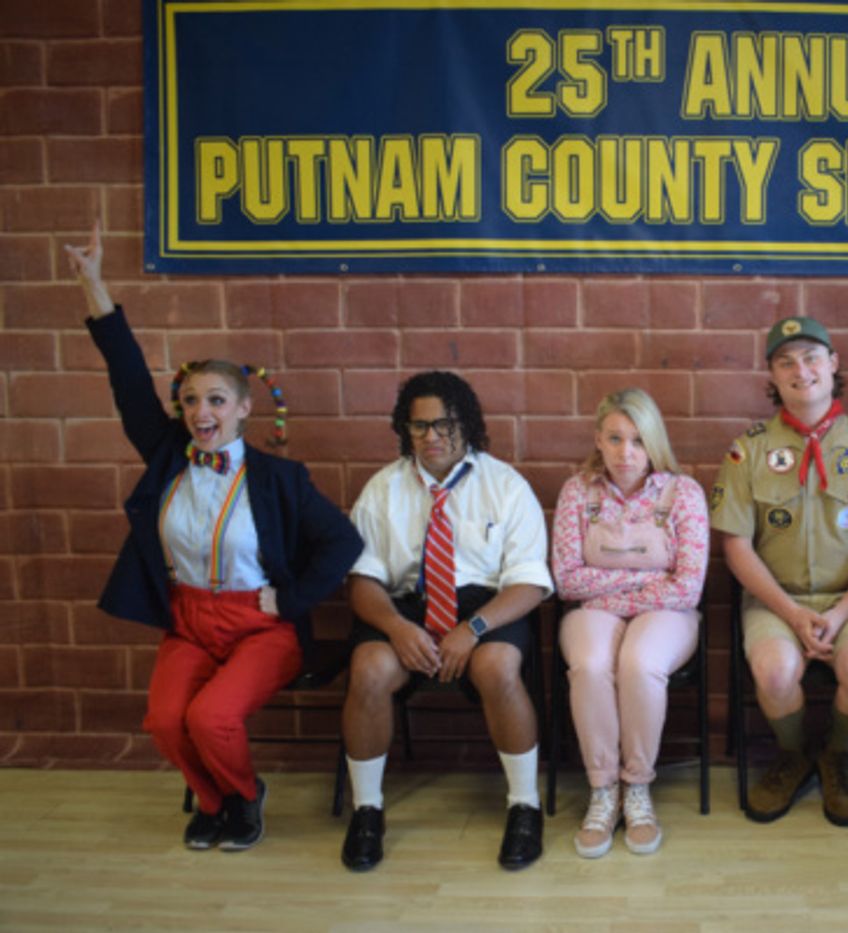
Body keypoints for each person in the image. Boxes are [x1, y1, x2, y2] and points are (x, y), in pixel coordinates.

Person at [64, 224, 363, 851]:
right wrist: (94, 284)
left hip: (260, 624)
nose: (203, 412)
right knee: (166, 721)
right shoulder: (167, 456)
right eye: (192, 400)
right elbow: (126, 382)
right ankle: (212, 800)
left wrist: (293, 600)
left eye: (218, 400)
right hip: (189, 618)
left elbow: (342, 541)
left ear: (245, 407)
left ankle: (247, 797)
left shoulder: (280, 478)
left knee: (212, 716)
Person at [338, 371, 553, 872]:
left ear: (467, 425)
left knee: (498, 668)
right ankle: (367, 811)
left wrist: (472, 629)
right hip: (406, 606)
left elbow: (528, 584)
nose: (431, 436)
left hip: (484, 606)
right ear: (404, 429)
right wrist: (396, 628)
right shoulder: (382, 488)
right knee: (369, 670)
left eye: (443, 425)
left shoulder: (505, 486)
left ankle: (524, 806)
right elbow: (362, 580)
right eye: (419, 427)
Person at [710, 316, 848, 827]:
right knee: (776, 671)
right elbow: (735, 545)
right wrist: (793, 613)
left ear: (833, 364)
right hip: (774, 600)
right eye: (785, 362)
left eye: (810, 357)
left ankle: (838, 755)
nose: (800, 370)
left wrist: (844, 610)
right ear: (773, 376)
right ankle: (794, 754)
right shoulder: (749, 449)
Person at [551, 388, 709, 858]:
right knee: (591, 663)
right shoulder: (578, 491)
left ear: (654, 442)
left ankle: (636, 785)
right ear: (598, 439)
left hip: (667, 613)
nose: (626, 452)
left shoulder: (683, 493)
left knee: (639, 662)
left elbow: (687, 588)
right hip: (594, 613)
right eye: (615, 439)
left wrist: (610, 588)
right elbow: (565, 579)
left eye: (638, 440)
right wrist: (646, 577)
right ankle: (603, 789)